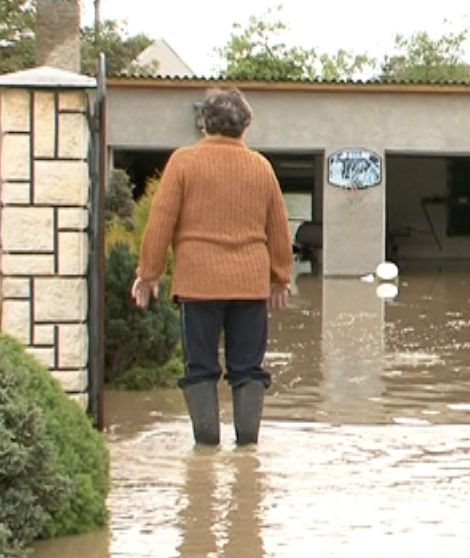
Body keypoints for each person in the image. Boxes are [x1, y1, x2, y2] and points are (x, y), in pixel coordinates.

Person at [131, 88, 293, 446]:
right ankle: (247, 448)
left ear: (204, 123)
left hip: (198, 285)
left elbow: (161, 221)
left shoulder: (183, 162)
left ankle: (205, 449)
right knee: (248, 369)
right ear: (246, 126)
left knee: (200, 367)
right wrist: (281, 278)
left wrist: (148, 273)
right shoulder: (261, 167)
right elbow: (278, 227)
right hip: (250, 287)